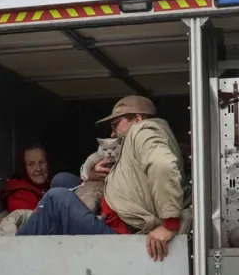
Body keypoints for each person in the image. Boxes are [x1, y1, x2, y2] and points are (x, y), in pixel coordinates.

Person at [16, 95, 189, 262]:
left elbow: (162, 165)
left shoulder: (143, 132)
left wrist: (169, 224)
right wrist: (91, 175)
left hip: (120, 230)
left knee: (56, 197)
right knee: (63, 180)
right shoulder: (139, 137)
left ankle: (12, 251)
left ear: (137, 119)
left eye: (116, 125)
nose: (113, 134)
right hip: (113, 208)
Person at [0, 144, 80, 213]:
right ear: (23, 168)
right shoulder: (19, 196)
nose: (38, 169)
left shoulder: (50, 185)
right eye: (31, 165)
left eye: (42, 162)